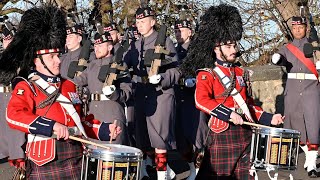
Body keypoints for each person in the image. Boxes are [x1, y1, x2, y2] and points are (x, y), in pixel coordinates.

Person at [0, 5, 121, 179]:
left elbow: (80, 122)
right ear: (37, 60)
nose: (58, 60)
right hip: (45, 160)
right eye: (52, 57)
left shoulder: (69, 86)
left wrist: (104, 129)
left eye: (58, 55)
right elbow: (14, 115)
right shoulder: (27, 86)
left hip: (76, 158)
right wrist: (52, 126)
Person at [180, 4, 284, 179]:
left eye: (234, 45)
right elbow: (201, 100)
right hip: (222, 133)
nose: (234, 50)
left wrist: (269, 117)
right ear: (216, 48)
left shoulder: (240, 72)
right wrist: (227, 114)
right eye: (228, 46)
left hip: (245, 132)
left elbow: (248, 105)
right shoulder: (207, 74)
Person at [124, 6, 181, 180]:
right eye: (138, 22)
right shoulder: (134, 45)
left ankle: (162, 174)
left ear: (153, 22)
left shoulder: (164, 41)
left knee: (159, 137)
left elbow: (177, 70)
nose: (139, 25)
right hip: (141, 91)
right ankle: (145, 172)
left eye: (143, 21)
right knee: (141, 135)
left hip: (160, 93)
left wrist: (162, 78)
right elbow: (123, 66)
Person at [272, 16, 320, 178]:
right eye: (295, 28)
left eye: (300, 27)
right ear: (292, 29)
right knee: (295, 127)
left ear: (306, 28)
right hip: (292, 91)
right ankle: (309, 154)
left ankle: (312, 163)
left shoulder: (315, 46)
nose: (297, 30)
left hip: (311, 89)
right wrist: (277, 59)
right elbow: (280, 59)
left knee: (313, 124)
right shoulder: (287, 48)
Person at [73, 31, 131, 145]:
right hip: (94, 115)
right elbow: (77, 82)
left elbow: (127, 92)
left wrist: (114, 93)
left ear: (109, 47)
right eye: (95, 46)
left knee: (111, 154)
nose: (96, 48)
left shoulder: (119, 65)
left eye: (100, 45)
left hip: (112, 113)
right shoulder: (91, 65)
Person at [174, 19, 209, 180]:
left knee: (197, 135)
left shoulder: (198, 51)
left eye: (182, 30)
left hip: (194, 98)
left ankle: (197, 171)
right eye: (176, 31)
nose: (178, 34)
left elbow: (207, 70)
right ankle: (191, 167)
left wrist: (197, 80)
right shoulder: (173, 51)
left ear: (190, 32)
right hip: (178, 97)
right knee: (180, 137)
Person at [0, 18, 26, 172]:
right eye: (4, 39)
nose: (6, 42)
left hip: (14, 101)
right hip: (1, 101)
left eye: (10, 39)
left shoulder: (23, 59)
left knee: (13, 143)